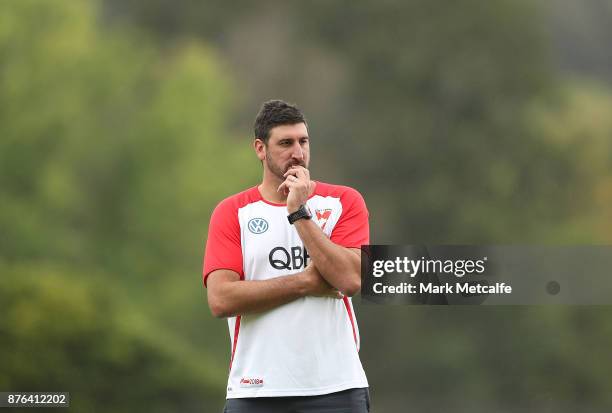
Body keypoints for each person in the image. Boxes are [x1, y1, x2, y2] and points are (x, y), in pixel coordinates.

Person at [203, 100, 371, 413]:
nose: (298, 152)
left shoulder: (344, 201)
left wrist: (298, 212)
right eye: (285, 143)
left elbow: (350, 279)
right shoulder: (232, 213)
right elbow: (221, 299)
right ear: (260, 149)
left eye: (303, 141)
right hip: (255, 390)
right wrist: (305, 282)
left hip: (336, 387)